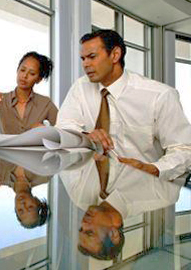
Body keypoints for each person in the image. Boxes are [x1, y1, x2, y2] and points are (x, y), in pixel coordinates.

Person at [56, 29, 191, 179]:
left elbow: (184, 149)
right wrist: (86, 135)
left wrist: (152, 169)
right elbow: (63, 127)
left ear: (115, 55)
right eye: (83, 59)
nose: (85, 64)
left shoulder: (160, 96)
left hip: (143, 190)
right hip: (91, 186)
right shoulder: (80, 87)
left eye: (91, 57)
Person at [0, 51, 58, 134]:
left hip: (34, 147)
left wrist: (46, 130)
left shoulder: (45, 103)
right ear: (17, 70)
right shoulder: (0, 99)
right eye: (22, 70)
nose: (24, 76)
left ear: (39, 79)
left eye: (32, 73)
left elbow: (64, 130)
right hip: (5, 147)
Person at [0, 152, 49, 228]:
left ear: (15, 208)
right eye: (30, 207)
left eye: (20, 210)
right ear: (37, 201)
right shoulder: (44, 175)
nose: (23, 204)